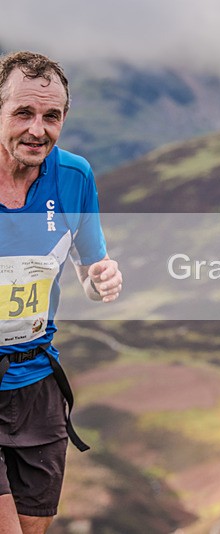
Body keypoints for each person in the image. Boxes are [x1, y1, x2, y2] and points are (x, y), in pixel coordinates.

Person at [0, 51, 122, 533]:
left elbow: (91, 270)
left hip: (35, 382)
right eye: (23, 113)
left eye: (51, 117)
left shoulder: (74, 177)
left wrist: (100, 281)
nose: (37, 130)